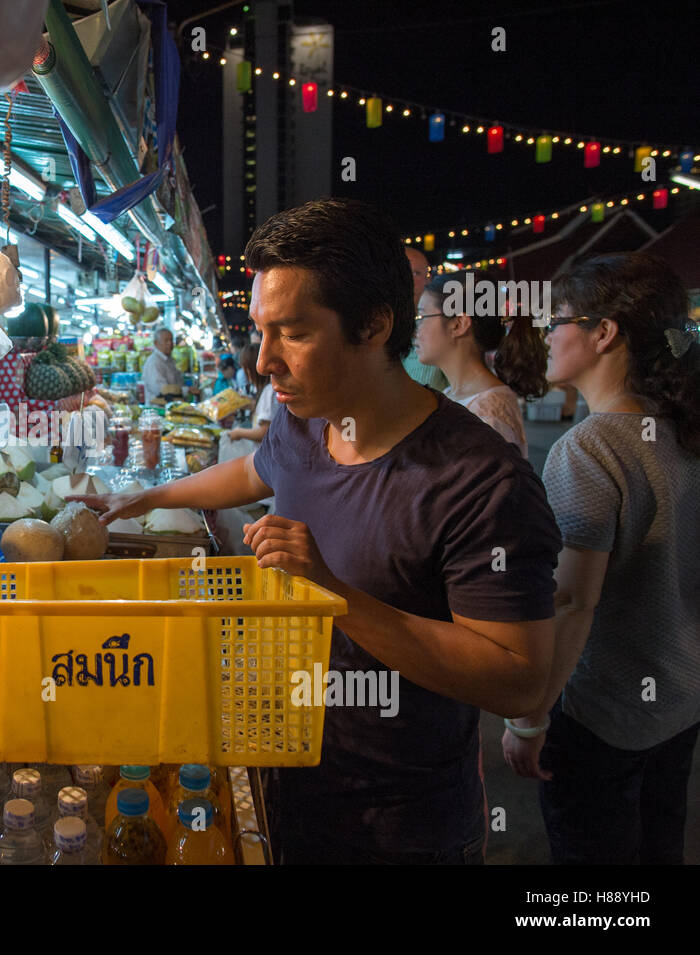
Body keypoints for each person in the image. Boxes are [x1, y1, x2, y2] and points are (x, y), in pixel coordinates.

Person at [70, 197, 560, 864]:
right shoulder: (307, 422)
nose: (264, 360)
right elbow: (251, 471)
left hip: (396, 826)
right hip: (279, 774)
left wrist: (332, 591)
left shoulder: (481, 479)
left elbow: (520, 678)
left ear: (374, 325)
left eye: (293, 333)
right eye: (262, 330)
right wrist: (147, 494)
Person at [502, 252, 700, 865]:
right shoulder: (685, 430)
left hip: (603, 714)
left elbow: (571, 599)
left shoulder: (588, 447)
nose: (548, 334)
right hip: (680, 698)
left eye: (559, 318)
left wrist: (530, 719)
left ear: (604, 332)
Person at [413, 271, 549, 455]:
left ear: (459, 324)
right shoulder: (453, 394)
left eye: (422, 318)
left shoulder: (487, 414)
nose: (416, 330)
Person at [401, 246, 450, 391]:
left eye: (416, 273)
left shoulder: (441, 331)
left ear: (428, 280)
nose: (409, 281)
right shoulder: (369, 331)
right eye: (403, 273)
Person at [225, 343, 275, 444]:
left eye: (245, 368)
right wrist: (246, 403)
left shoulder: (269, 391)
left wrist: (239, 432)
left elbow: (264, 432)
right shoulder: (266, 389)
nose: (244, 372)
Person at [141, 326, 184, 403]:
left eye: (171, 340)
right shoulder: (154, 362)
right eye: (166, 341)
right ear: (156, 343)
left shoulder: (170, 360)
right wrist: (185, 390)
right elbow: (160, 389)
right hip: (157, 409)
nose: (170, 343)